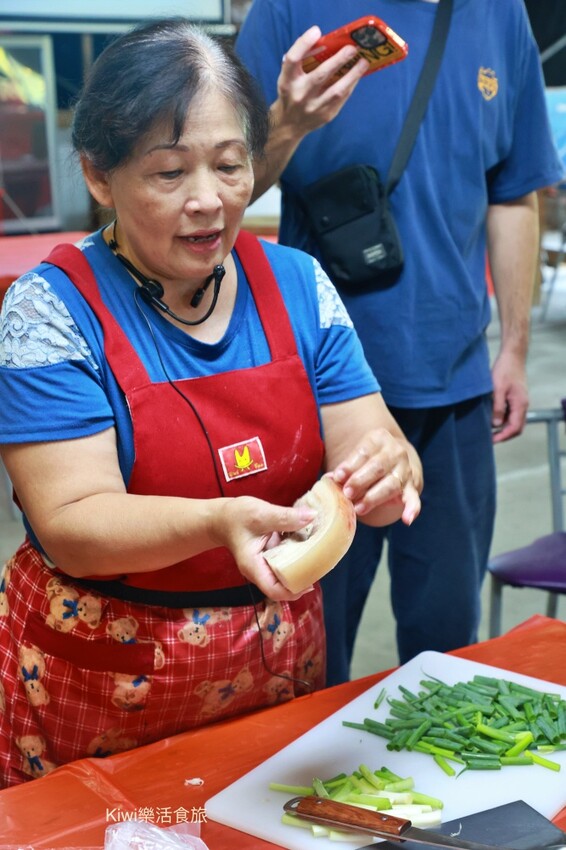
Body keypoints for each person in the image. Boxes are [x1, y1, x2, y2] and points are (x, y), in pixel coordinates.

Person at [0, 18, 422, 787]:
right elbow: (73, 524)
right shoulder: (49, 310)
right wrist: (215, 522)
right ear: (99, 176)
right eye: (169, 173)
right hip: (101, 683)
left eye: (230, 165)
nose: (209, 201)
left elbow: (373, 452)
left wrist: (391, 472)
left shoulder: (300, 284)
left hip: (278, 673)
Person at [236, 0, 565, 683]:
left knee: (448, 648)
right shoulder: (290, 10)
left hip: (455, 386)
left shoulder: (498, 15)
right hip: (313, 392)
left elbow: (513, 192)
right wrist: (287, 123)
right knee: (305, 649)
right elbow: (225, 180)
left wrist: (512, 347)